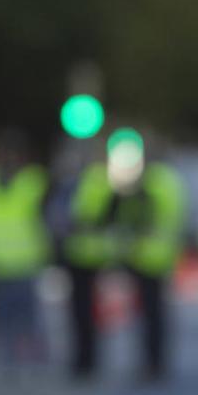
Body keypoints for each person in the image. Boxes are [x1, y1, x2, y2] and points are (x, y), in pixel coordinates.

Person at [0, 149, 51, 374]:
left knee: (28, 318)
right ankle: (2, 361)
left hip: (24, 263)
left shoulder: (30, 185)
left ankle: (29, 362)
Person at [112, 159, 187, 381]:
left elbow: (133, 219)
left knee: (148, 315)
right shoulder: (170, 183)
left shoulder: (146, 187)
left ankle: (151, 363)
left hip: (144, 256)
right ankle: (157, 362)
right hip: (161, 256)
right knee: (157, 316)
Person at [63, 159, 117, 377]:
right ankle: (83, 358)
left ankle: (89, 359)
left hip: (92, 255)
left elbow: (104, 216)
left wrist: (81, 223)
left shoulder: (97, 182)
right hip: (77, 253)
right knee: (79, 312)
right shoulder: (76, 183)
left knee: (89, 312)